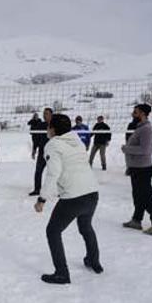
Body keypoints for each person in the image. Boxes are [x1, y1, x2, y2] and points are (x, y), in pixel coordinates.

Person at [34, 114, 102, 285]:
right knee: (86, 227)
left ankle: (62, 274)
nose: (47, 128)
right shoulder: (76, 139)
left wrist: (42, 198)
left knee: (53, 231)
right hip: (92, 192)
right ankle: (94, 262)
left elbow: (53, 173)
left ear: (53, 129)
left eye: (49, 125)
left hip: (74, 197)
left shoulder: (53, 144)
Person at [121, 104, 152, 235]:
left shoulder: (146, 129)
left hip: (143, 169)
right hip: (136, 168)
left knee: (147, 196)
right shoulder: (140, 128)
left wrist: (126, 149)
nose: (133, 114)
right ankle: (136, 220)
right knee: (137, 196)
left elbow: (145, 150)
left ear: (143, 114)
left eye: (135, 112)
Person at [28, 108, 53, 196]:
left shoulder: (56, 125)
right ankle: (37, 189)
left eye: (46, 113)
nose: (44, 115)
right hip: (42, 151)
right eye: (44, 113)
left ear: (51, 115)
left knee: (57, 171)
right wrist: (34, 149)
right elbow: (35, 137)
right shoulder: (41, 125)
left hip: (54, 152)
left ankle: (62, 190)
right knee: (38, 171)